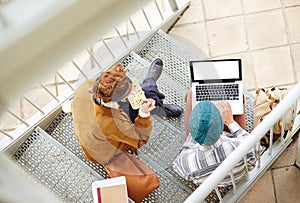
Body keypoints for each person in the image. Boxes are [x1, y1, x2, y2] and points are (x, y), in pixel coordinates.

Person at [71, 59, 183, 164]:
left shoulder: (89, 86)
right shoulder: (111, 123)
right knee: (146, 93)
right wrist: (143, 114)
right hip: (106, 150)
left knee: (144, 92)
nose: (134, 91)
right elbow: (140, 139)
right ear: (118, 100)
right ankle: (152, 87)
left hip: (93, 127)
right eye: (129, 93)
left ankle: (153, 93)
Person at [172, 99, 260, 186]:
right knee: (240, 97)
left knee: (191, 94)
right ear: (222, 127)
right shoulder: (243, 147)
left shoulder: (186, 162)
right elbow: (256, 147)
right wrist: (231, 122)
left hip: (211, 182)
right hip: (237, 176)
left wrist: (198, 129)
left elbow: (177, 166)